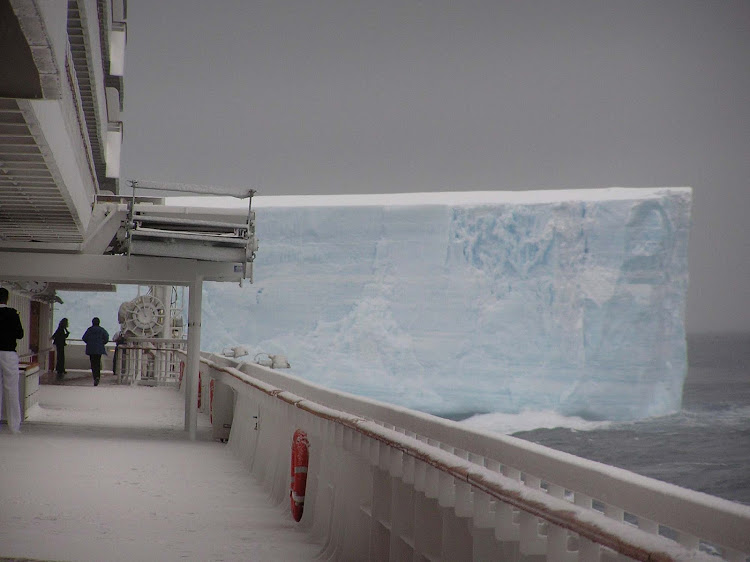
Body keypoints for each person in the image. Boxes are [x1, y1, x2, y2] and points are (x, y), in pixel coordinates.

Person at [0, 287, 24, 434]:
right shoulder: (13, 314)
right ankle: (14, 426)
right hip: (8, 353)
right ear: (7, 299)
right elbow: (20, 334)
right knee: (11, 389)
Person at [82, 317, 109, 386]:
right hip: (99, 349)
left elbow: (84, 338)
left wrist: (89, 342)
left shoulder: (90, 330)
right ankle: (97, 376)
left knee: (93, 363)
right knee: (97, 362)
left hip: (91, 349)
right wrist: (102, 343)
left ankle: (95, 377)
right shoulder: (101, 330)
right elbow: (106, 337)